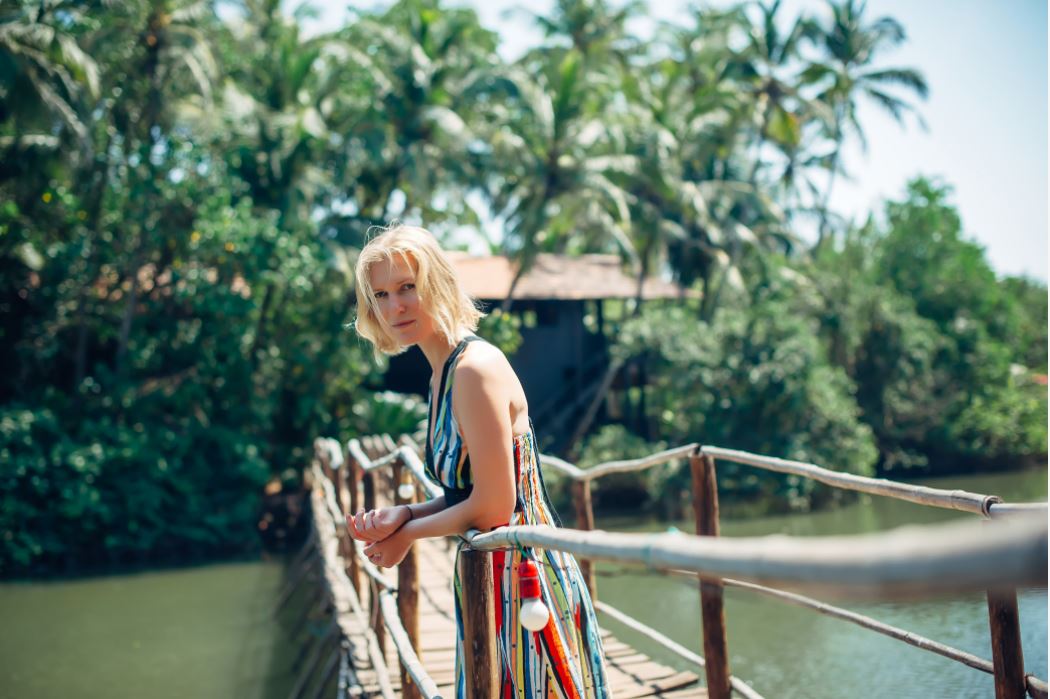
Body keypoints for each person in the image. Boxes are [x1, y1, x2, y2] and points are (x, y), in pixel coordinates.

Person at [345, 224, 609, 699]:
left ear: (438, 283)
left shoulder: (474, 369)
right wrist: (404, 514)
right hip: (489, 576)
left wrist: (406, 536)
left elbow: (494, 506)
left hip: (526, 579)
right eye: (381, 295)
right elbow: (464, 494)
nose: (395, 307)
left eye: (407, 287)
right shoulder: (442, 373)